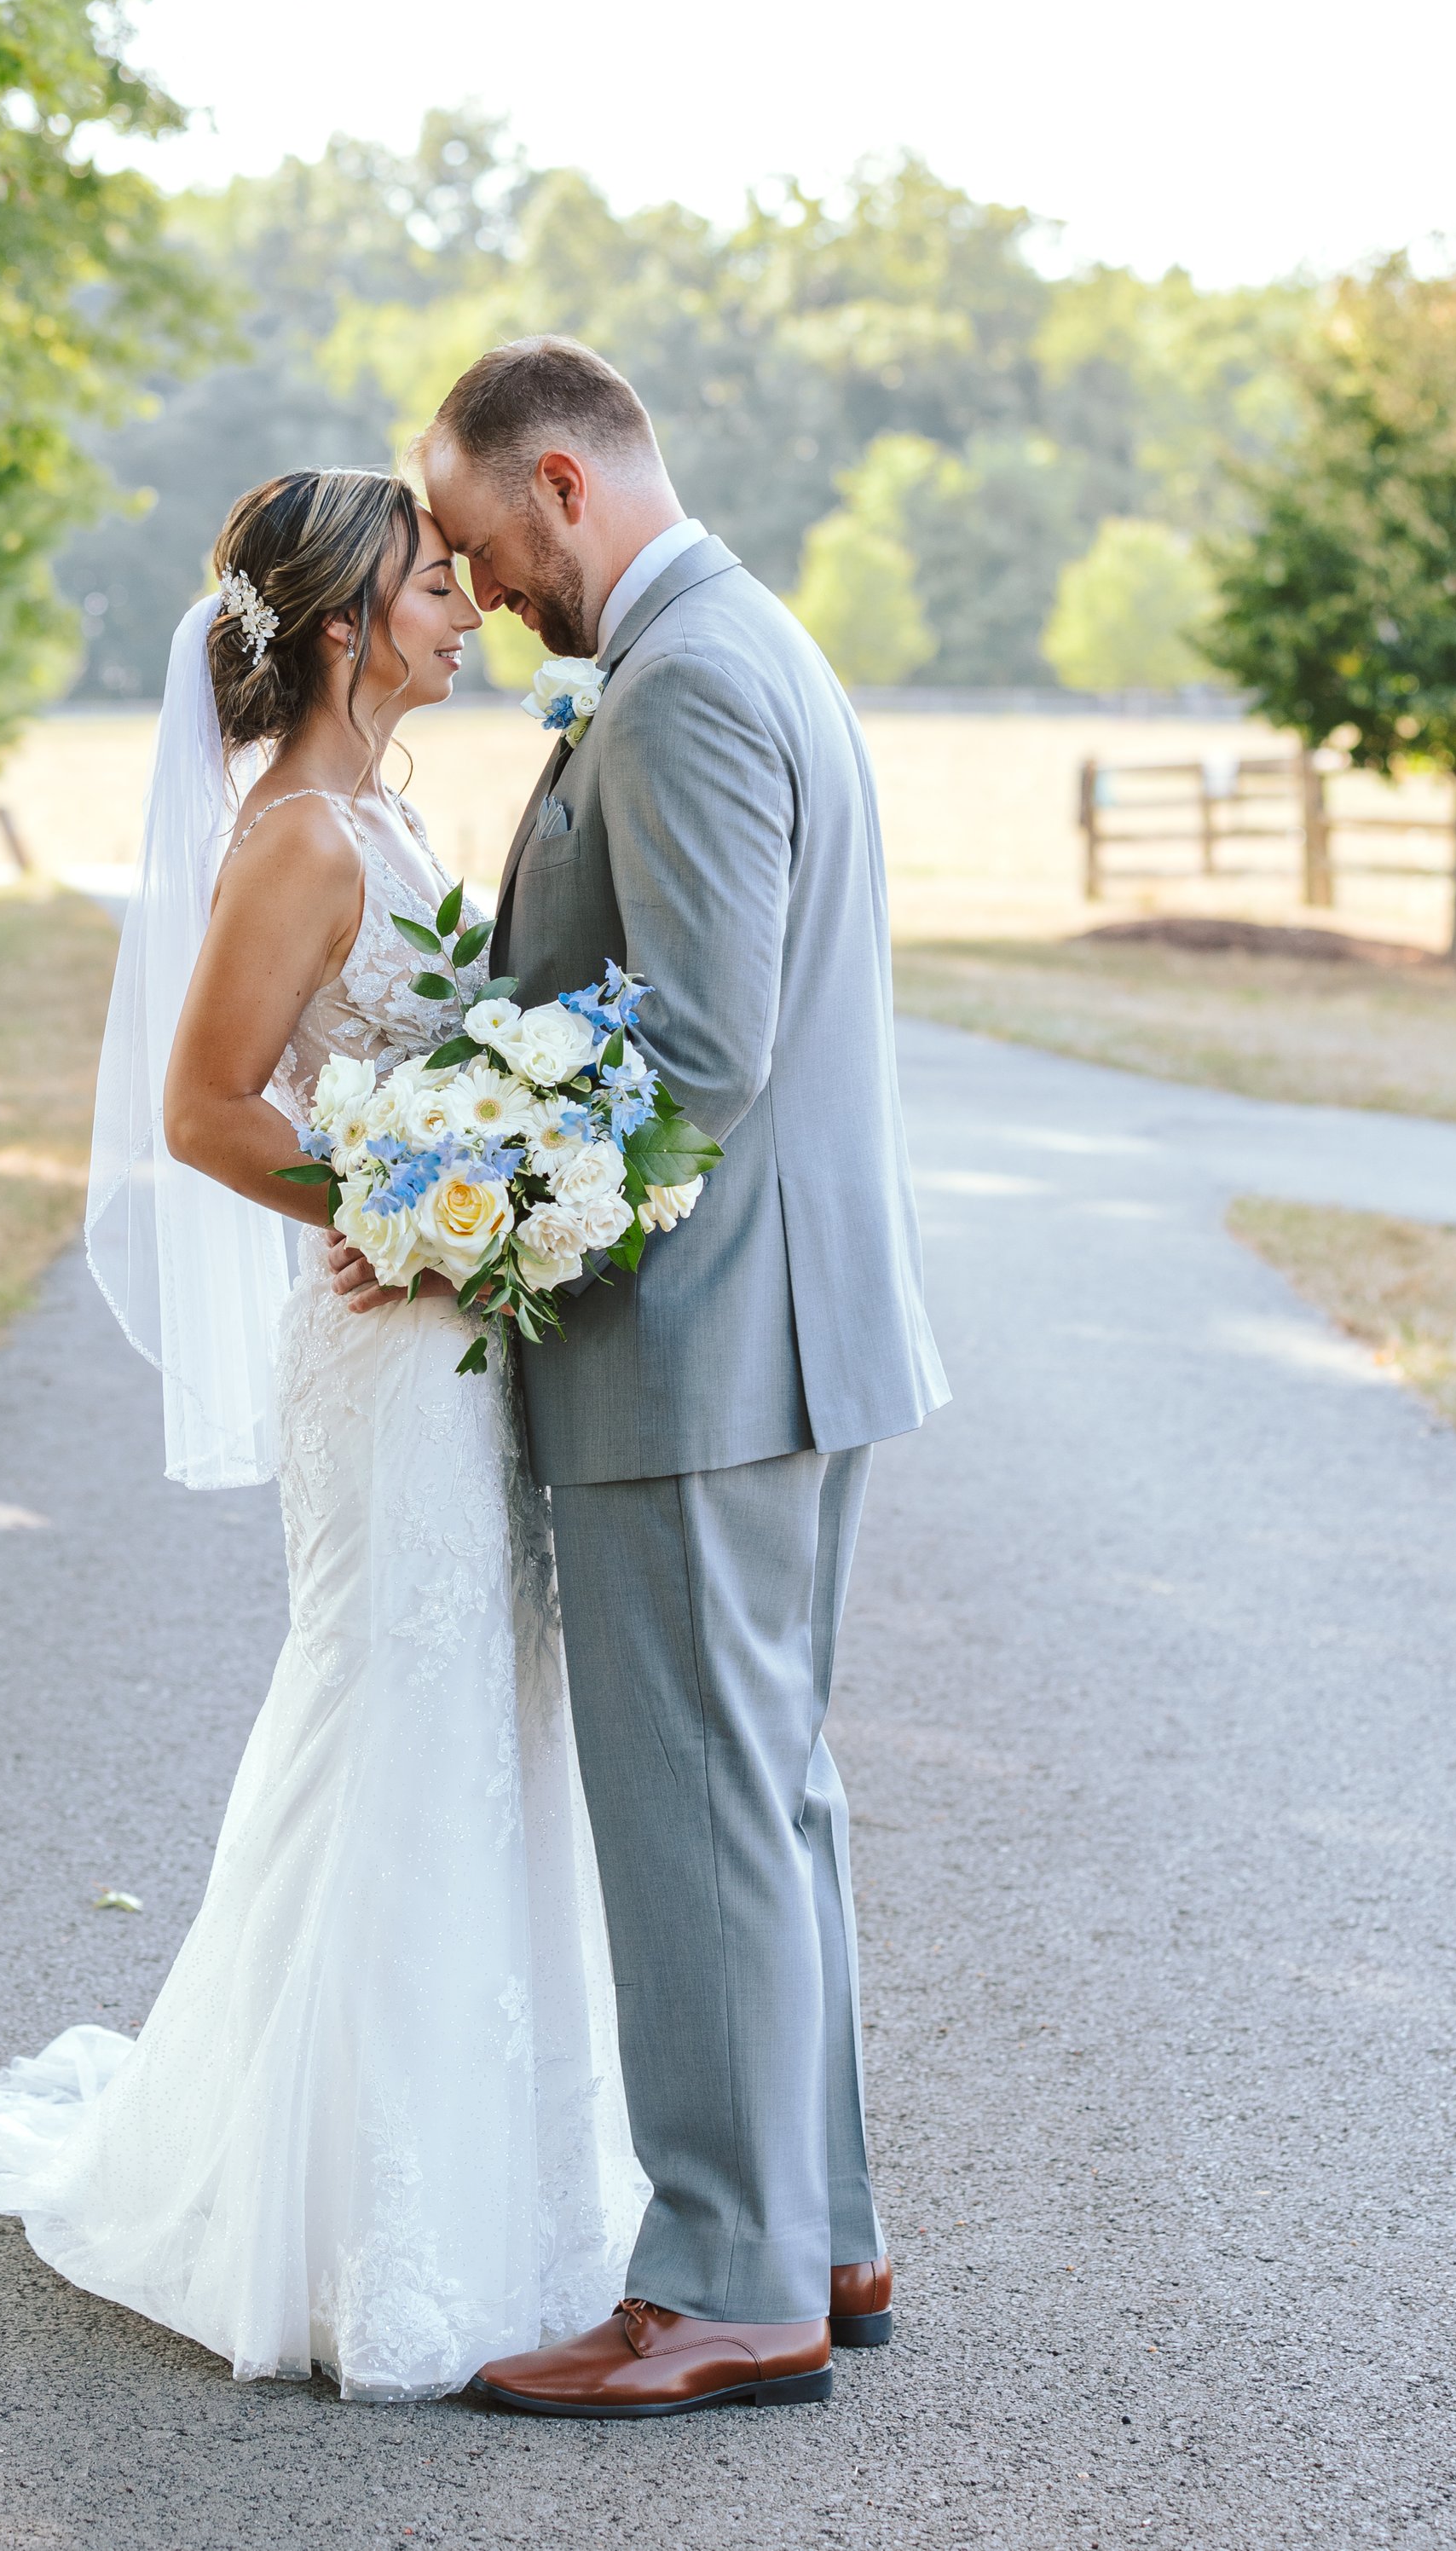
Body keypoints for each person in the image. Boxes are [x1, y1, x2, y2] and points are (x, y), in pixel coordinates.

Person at [0, 467, 644, 2403]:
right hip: (387, 1360)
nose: (463, 606)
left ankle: (507, 2191)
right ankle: (341, 2219)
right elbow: (206, 1109)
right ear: (338, 629)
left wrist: (489, 1181)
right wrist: (401, 1216)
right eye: (427, 587)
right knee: (393, 1719)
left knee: (485, 1722)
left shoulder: (378, 813)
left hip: (453, 1351)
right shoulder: (299, 839)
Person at [340, 335, 950, 2418]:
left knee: (696, 1805)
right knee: (763, 1792)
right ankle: (820, 2229)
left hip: (703, 1349)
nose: (475, 578)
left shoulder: (685, 679)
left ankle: (723, 2289)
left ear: (566, 486)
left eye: (483, 534)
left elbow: (692, 1053)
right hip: (784, 1325)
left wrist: (441, 1206)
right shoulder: (725, 638)